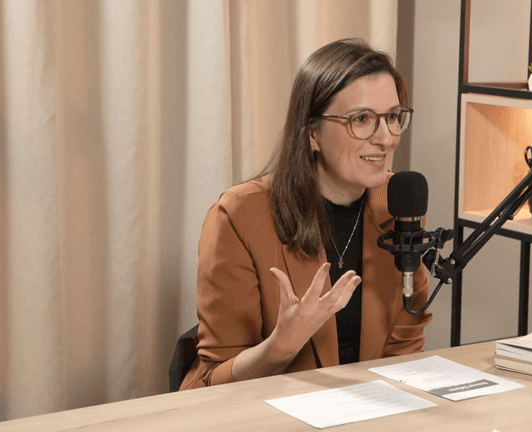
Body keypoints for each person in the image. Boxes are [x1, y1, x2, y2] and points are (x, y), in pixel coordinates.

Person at [180, 38, 432, 390]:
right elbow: (213, 381)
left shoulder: (397, 205)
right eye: (361, 119)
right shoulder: (238, 216)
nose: (386, 138)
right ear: (312, 133)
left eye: (392, 117)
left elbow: (404, 349)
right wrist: (282, 345)